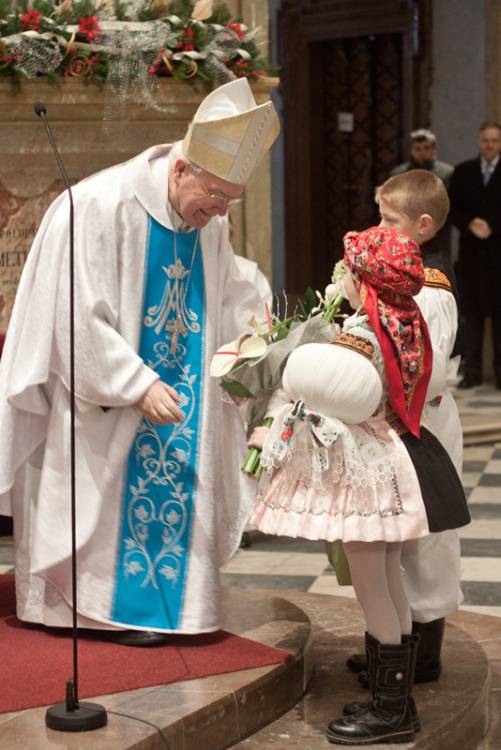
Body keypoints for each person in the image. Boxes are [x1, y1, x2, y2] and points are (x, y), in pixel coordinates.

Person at [0, 78, 279, 643]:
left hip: (183, 402)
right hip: (103, 399)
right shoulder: (97, 207)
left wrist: (256, 347)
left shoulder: (209, 220)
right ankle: (89, 610)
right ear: (181, 170)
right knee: (99, 501)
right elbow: (72, 316)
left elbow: (226, 293)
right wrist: (135, 383)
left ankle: (169, 609)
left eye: (230, 201)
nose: (219, 213)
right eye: (214, 197)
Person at [249, 225, 470, 744]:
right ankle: (395, 695)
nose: (343, 279)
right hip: (394, 466)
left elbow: (324, 404)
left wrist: (274, 428)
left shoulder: (360, 341)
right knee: (390, 581)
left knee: (374, 590)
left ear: (365, 282)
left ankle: (391, 711)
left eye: (349, 272)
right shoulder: (404, 324)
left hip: (368, 478)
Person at [343, 170, 464, 690]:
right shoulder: (394, 275)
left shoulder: (430, 289)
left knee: (424, 542)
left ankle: (423, 654)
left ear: (423, 225)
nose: (379, 229)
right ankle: (394, 642)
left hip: (422, 423)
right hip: (394, 423)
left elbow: (422, 369)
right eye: (379, 217)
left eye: (390, 220)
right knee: (393, 538)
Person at [449, 121, 501, 388]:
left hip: (498, 255)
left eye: (494, 140)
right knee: (472, 316)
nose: (489, 145)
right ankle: (472, 373)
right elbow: (451, 208)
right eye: (485, 140)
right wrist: (469, 223)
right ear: (479, 141)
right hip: (471, 255)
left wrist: (493, 226)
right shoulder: (463, 171)